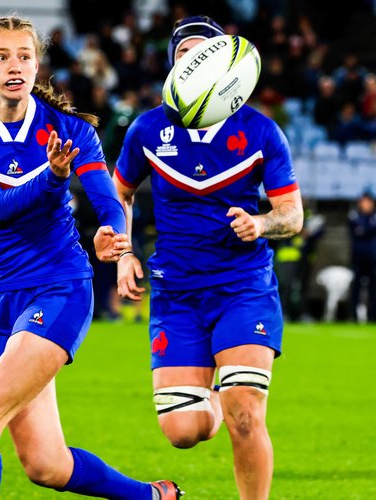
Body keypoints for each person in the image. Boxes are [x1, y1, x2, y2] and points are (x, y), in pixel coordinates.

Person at [0, 16, 181, 500]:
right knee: (46, 464)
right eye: (1, 56)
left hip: (59, 287)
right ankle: (152, 496)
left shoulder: (70, 130)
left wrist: (114, 232)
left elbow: (107, 197)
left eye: (24, 56)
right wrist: (51, 177)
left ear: (37, 64)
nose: (14, 66)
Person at [114, 15, 304, 500]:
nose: (192, 62)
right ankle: (220, 391)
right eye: (183, 54)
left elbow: (292, 214)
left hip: (243, 286)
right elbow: (120, 193)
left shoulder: (261, 132)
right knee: (183, 431)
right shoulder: (147, 128)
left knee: (246, 414)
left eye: (203, 53)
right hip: (176, 292)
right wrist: (123, 252)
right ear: (172, 66)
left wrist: (261, 223)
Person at [347, 191, 376, 322]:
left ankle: (374, 316)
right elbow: (357, 230)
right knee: (356, 287)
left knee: (374, 287)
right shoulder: (355, 215)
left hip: (373, 257)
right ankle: (352, 315)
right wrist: (367, 230)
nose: (364, 204)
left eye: (367, 202)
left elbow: (370, 229)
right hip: (358, 256)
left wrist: (364, 230)